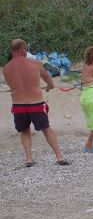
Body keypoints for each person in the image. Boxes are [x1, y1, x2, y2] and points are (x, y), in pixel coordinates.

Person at [3, 39, 69, 167]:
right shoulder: (35, 64)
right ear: (23, 49)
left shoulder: (6, 68)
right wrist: (50, 86)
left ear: (13, 51)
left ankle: (29, 159)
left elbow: (12, 85)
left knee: (25, 131)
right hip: (36, 104)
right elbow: (48, 79)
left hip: (18, 106)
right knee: (46, 129)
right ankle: (59, 157)